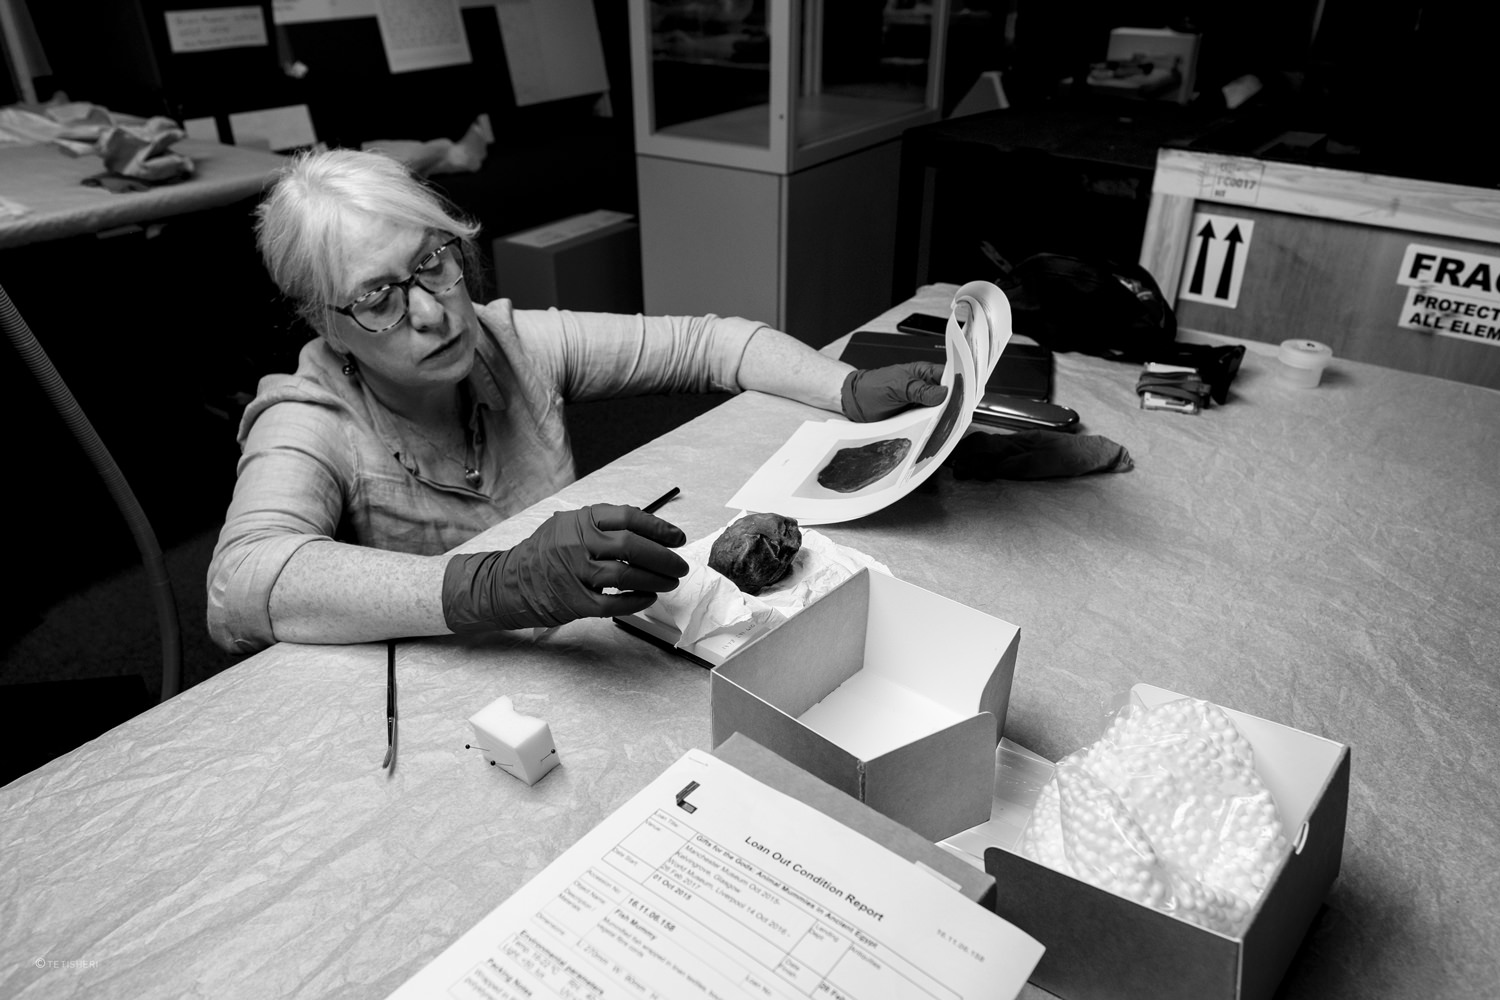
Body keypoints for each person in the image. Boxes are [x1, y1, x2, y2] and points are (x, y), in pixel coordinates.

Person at [207, 148, 945, 654]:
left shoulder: (510, 341)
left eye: (432, 262)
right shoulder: (309, 418)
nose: (432, 313)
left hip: (586, 654)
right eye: (377, 298)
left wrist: (840, 385)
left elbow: (711, 344)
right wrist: (491, 585)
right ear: (323, 323)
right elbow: (237, 589)